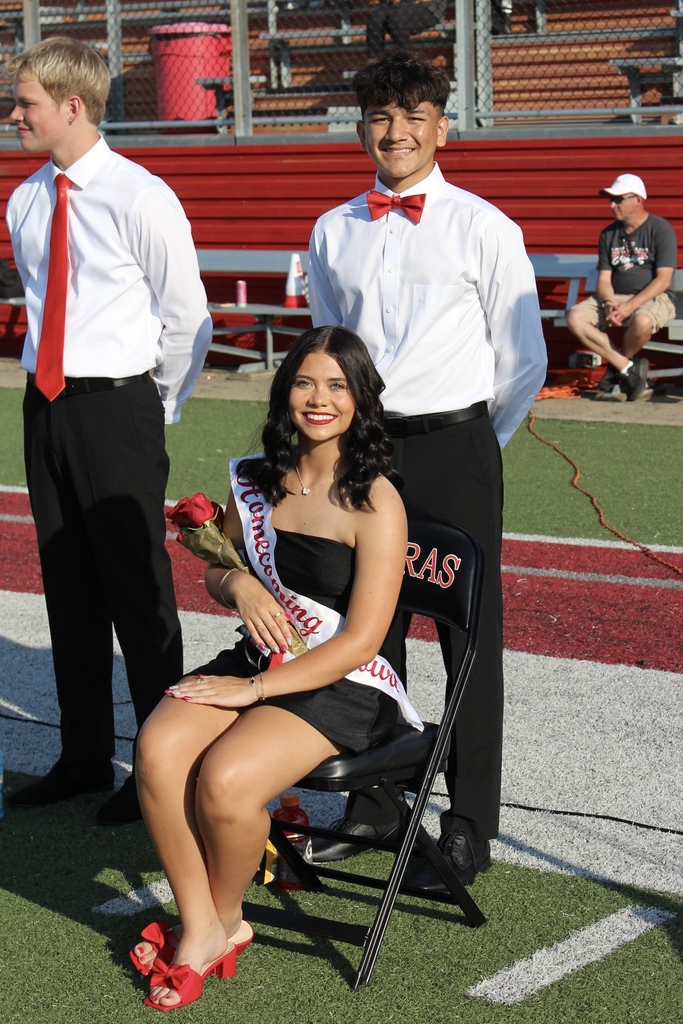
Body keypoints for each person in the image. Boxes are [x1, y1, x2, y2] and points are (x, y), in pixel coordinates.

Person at [307, 51, 547, 890]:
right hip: (366, 453)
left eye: (413, 114)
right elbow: (331, 352)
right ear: (361, 126)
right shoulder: (332, 229)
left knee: (466, 640)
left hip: (455, 449)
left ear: (442, 125)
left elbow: (523, 362)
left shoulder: (484, 227)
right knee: (363, 631)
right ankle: (374, 798)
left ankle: (470, 821)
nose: (395, 130)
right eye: (379, 115)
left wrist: (475, 449)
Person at [128, 326, 415, 1011]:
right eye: (305, 382)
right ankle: (207, 925)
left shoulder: (374, 501)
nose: (319, 399)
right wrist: (243, 588)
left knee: (225, 782)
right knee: (158, 748)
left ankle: (217, 923)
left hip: (338, 683)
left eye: (337, 386)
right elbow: (219, 573)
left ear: (359, 400)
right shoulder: (259, 479)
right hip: (261, 655)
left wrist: (252, 688)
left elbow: (360, 641)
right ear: (285, 390)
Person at [4, 38, 212, 825]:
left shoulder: (139, 194)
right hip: (46, 405)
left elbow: (187, 318)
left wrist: (151, 409)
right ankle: (84, 754)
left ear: (71, 106)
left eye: (24, 101)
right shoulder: (26, 199)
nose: (14, 114)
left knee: (138, 590)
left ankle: (162, 764)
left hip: (120, 406)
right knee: (67, 583)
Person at [566, 174, 677, 402]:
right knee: (575, 317)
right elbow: (605, 278)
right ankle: (627, 368)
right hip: (614, 297)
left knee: (642, 321)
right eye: (610, 200)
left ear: (638, 199)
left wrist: (629, 306)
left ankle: (619, 369)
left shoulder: (660, 229)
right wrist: (608, 303)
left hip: (655, 297)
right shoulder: (609, 234)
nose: (612, 205)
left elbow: (663, 280)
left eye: (618, 199)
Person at [365, 0, 445, 58]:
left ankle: (407, 62)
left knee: (396, 18)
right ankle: (373, 65)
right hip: (399, 7)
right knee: (375, 17)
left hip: (429, 7)